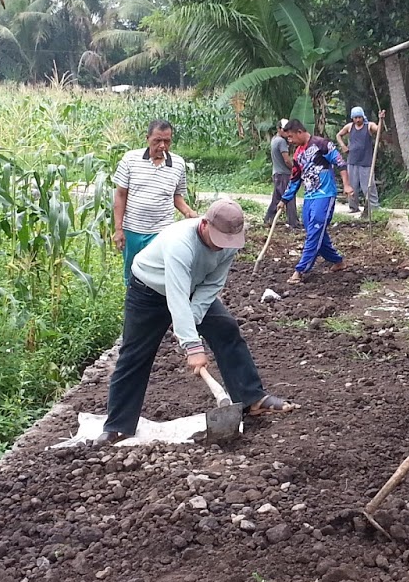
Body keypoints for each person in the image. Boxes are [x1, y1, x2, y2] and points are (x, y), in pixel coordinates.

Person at [100, 199, 292, 442]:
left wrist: (191, 320)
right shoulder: (180, 243)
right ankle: (118, 425)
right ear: (204, 225)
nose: (222, 247)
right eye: (218, 240)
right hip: (148, 289)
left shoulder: (230, 241)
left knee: (225, 329)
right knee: (135, 354)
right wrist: (192, 346)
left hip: (194, 287)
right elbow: (176, 295)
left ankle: (252, 399)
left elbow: (212, 284)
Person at [112, 119, 195, 277]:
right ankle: (132, 301)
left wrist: (188, 212)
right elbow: (121, 194)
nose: (162, 146)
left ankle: (156, 301)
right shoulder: (130, 159)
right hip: (133, 231)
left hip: (161, 231)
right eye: (157, 141)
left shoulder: (178, 164)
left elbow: (177, 196)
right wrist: (118, 229)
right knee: (132, 272)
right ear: (147, 138)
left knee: (158, 273)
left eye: (167, 141)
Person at [280, 119, 353, 285]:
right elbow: (295, 178)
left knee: (315, 230)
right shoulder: (298, 154)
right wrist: (285, 198)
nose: (289, 140)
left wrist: (347, 185)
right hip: (309, 197)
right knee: (315, 230)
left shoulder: (322, 144)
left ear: (299, 132)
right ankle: (338, 261)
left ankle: (301, 269)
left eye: (291, 137)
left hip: (325, 195)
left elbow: (341, 163)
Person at [336, 106, 380, 217]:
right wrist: (343, 146)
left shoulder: (368, 126)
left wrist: (381, 119)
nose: (358, 120)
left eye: (359, 117)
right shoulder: (350, 127)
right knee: (352, 186)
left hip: (366, 162)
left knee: (368, 186)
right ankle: (353, 207)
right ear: (352, 118)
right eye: (355, 118)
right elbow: (339, 135)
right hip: (352, 161)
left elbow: (378, 130)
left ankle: (374, 207)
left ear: (363, 117)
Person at [264, 123, 302, 230]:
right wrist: (294, 169)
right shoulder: (281, 142)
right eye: (284, 130)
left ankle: (268, 218)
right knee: (289, 198)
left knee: (277, 198)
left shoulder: (274, 139)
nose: (287, 133)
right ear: (279, 129)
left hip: (276, 173)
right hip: (284, 174)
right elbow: (286, 159)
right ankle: (293, 222)